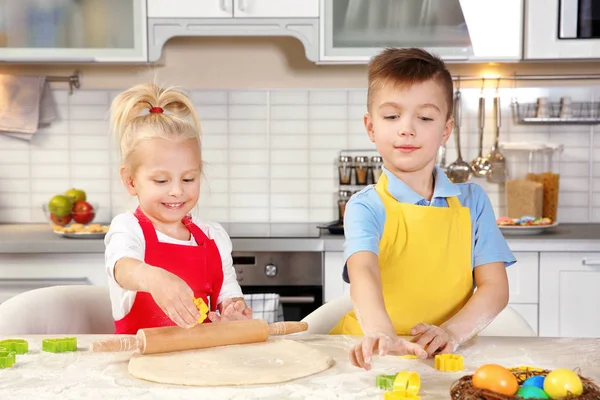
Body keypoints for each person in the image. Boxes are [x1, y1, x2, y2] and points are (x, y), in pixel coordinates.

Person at [329, 48, 516, 370]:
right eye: (391, 116)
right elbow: (364, 272)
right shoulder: (366, 206)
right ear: (371, 127)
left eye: (425, 118)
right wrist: (381, 333)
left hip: (446, 353)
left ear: (445, 130)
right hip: (375, 354)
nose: (407, 129)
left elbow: (494, 287)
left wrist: (451, 333)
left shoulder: (472, 201)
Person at [104, 83, 252, 335]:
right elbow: (122, 267)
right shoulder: (128, 229)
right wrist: (154, 279)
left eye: (188, 179)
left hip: (204, 367)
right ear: (130, 181)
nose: (176, 191)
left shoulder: (213, 236)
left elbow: (228, 294)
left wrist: (233, 311)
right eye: (161, 181)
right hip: (138, 369)